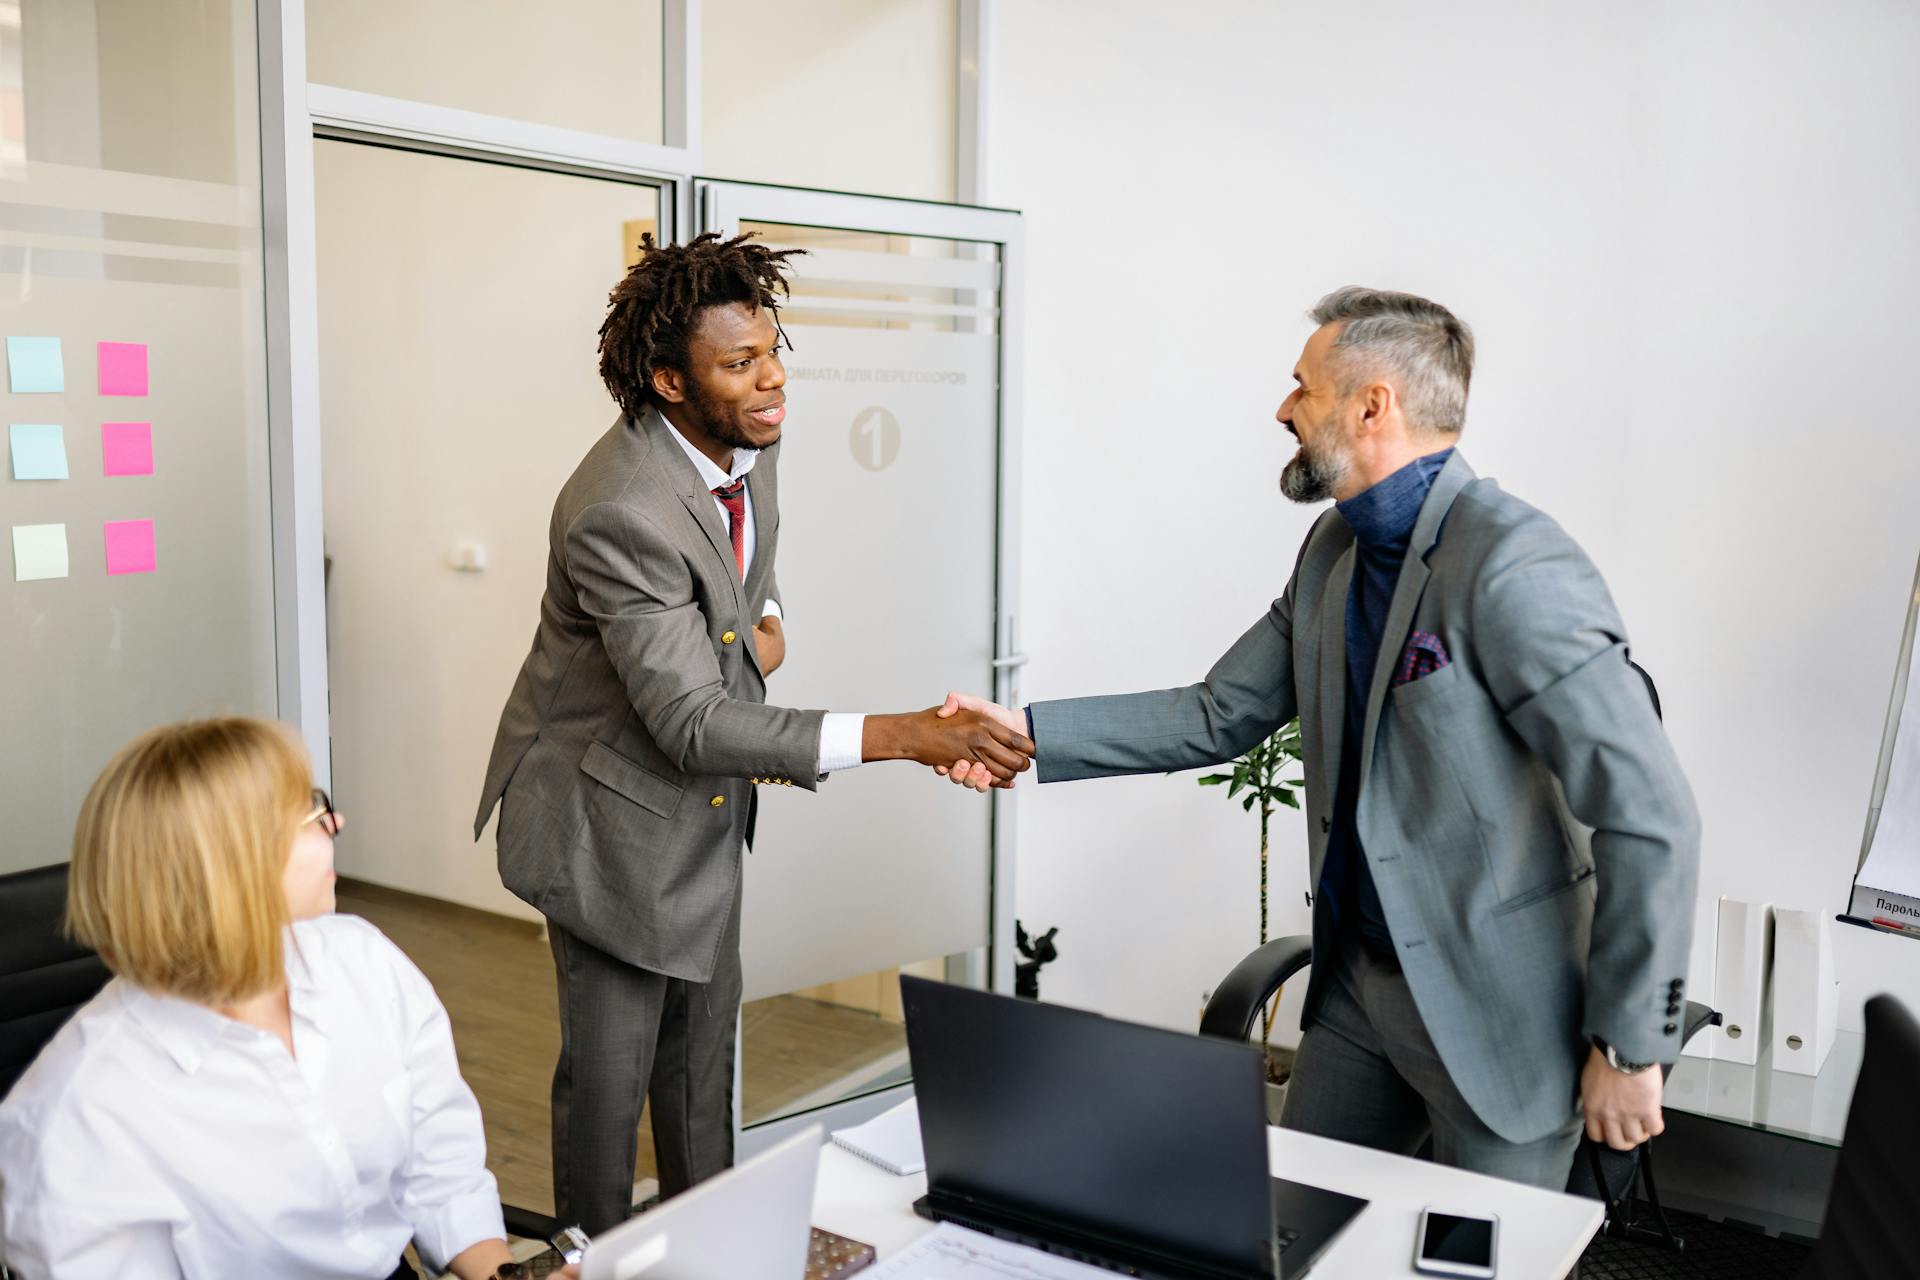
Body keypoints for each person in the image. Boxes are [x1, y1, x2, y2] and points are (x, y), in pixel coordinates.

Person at [938, 287, 1700, 1189]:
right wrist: (1023, 735)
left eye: (1302, 387)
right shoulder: (1334, 547)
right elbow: (1219, 712)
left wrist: (1629, 1042)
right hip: (1357, 997)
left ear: (1372, 404)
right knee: (1288, 1235)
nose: (1283, 409)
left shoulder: (1514, 562)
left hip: (1502, 1014)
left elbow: (1652, 814)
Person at [473, 231, 1032, 1234]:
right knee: (608, 1091)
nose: (773, 379)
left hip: (701, 804)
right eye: (740, 364)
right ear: (668, 382)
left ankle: (714, 1249)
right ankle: (585, 1257)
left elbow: (733, 608)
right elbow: (690, 715)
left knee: (701, 1070)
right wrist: (903, 733)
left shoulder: (745, 446)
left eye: (774, 350)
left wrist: (752, 647)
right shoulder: (619, 509)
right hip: (601, 827)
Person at [0, 718, 542, 1279]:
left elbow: (441, 1166)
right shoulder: (81, 1114)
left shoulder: (361, 961)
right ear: (231, 868)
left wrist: (502, 1275)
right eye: (310, 813)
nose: (336, 822)